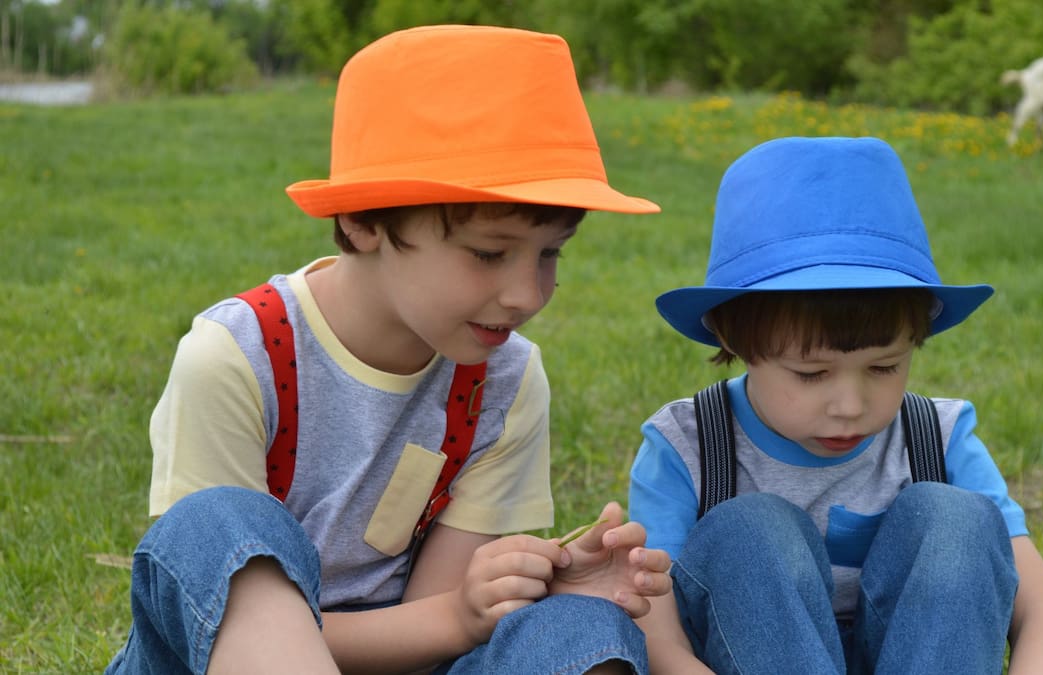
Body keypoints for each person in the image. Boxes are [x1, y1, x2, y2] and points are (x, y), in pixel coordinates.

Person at [106, 25, 673, 675]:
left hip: (408, 652)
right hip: (204, 656)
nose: (527, 293)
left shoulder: (505, 378)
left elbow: (434, 628)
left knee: (580, 626)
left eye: (549, 253)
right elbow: (204, 605)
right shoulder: (237, 356)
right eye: (489, 253)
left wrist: (516, 595)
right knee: (217, 521)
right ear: (364, 220)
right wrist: (457, 616)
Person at [628, 137, 1043, 673]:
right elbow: (657, 636)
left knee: (957, 518)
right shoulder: (686, 445)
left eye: (884, 367)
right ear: (736, 343)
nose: (849, 405)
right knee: (749, 529)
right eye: (811, 373)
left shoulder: (937, 436)